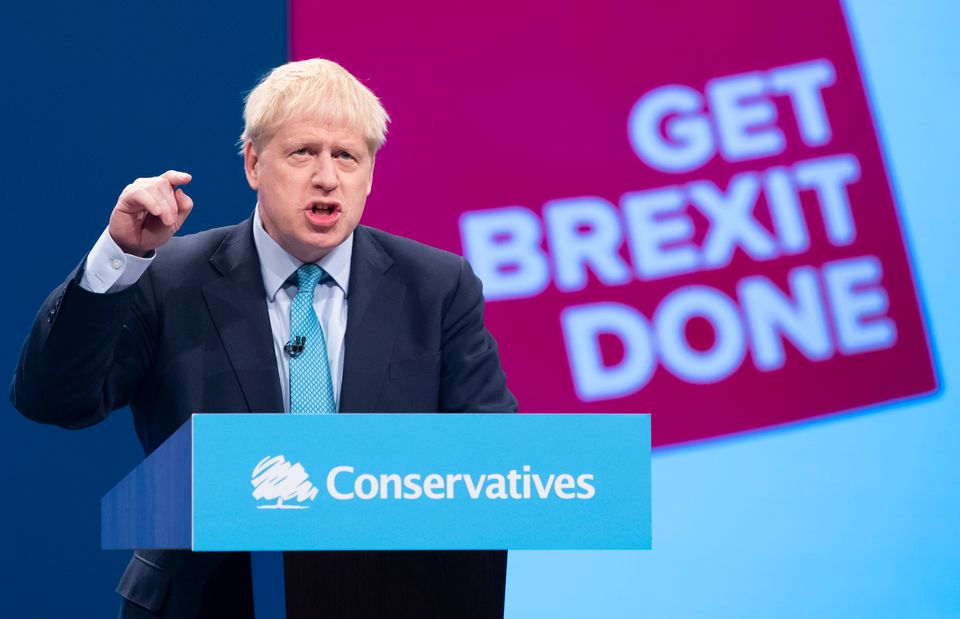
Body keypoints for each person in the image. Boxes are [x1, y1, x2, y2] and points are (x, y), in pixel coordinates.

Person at [11, 58, 517, 618]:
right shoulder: (168, 278)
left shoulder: (438, 285)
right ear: (254, 162)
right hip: (207, 600)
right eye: (304, 152)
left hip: (391, 597)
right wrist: (121, 254)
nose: (328, 176)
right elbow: (53, 399)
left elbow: (490, 463)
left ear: (370, 175)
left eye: (347, 156)